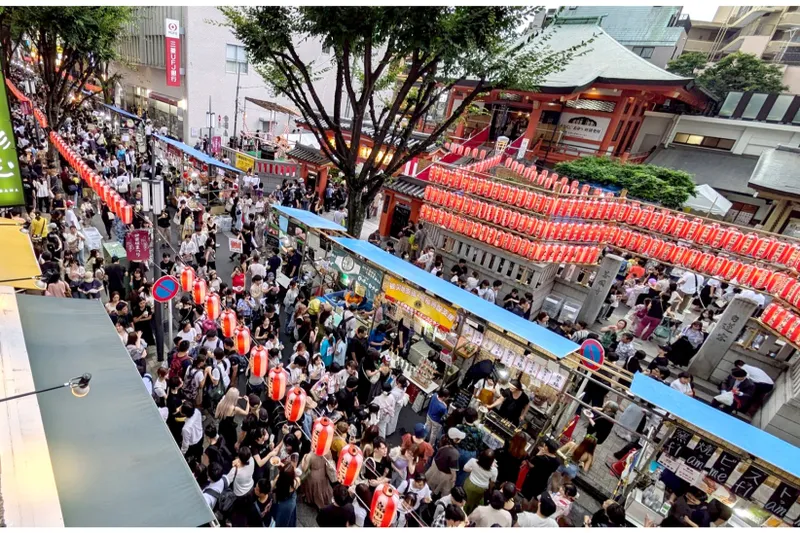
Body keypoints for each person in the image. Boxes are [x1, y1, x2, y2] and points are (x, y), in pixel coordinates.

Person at [425, 429, 463, 497]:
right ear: (455, 440)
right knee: (445, 489)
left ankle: (427, 493)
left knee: (432, 483)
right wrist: (454, 478)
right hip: (445, 474)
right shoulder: (455, 453)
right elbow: (453, 469)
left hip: (435, 466)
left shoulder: (442, 438)